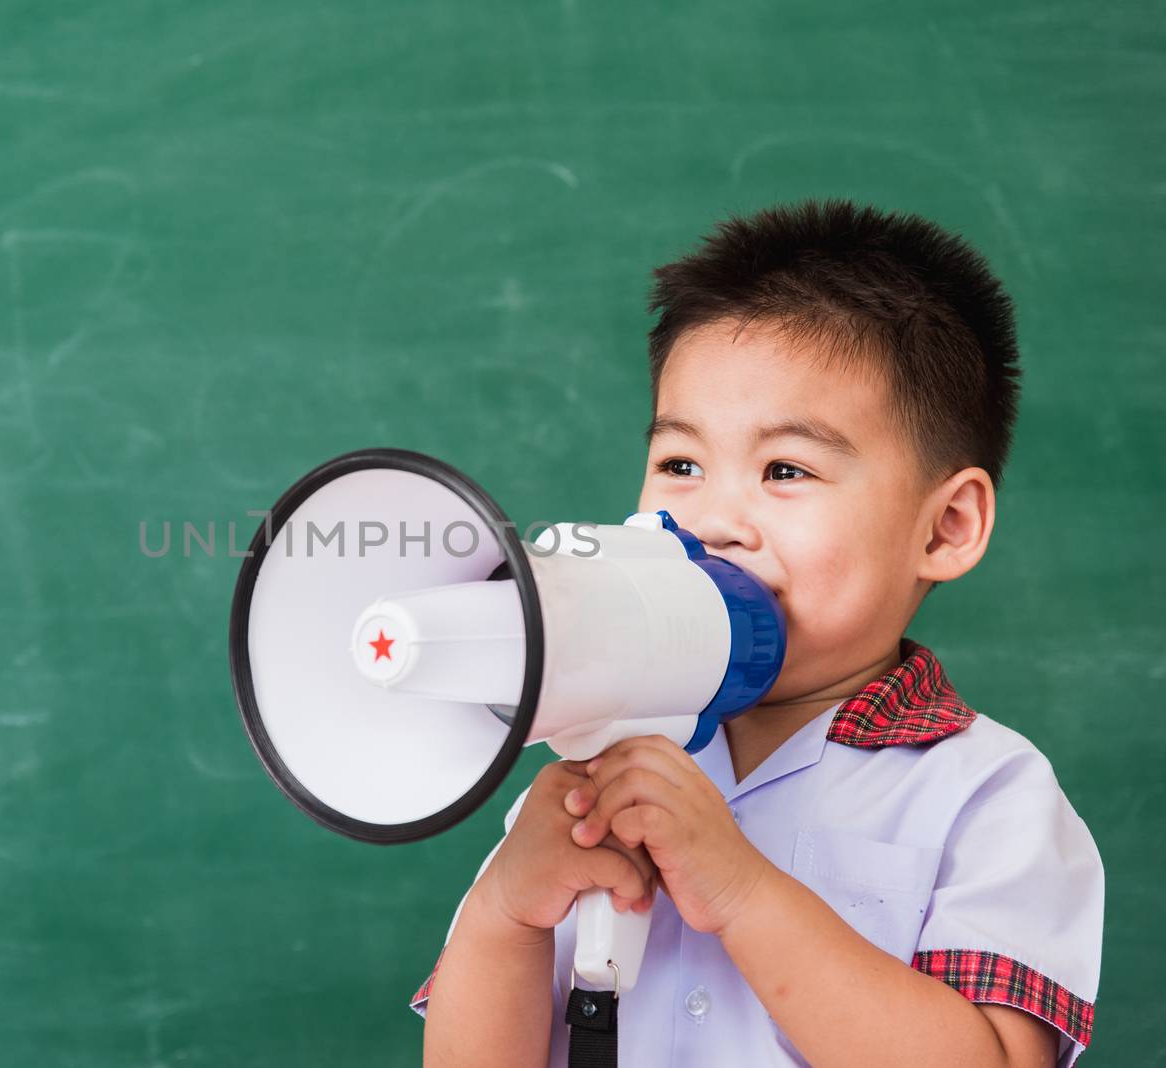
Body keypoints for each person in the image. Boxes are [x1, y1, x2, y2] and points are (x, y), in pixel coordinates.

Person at [411, 200, 1103, 1067]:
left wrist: (742, 891)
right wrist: (507, 912)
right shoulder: (590, 767)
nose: (715, 521)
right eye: (680, 465)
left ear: (945, 527)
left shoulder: (988, 799)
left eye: (786, 469)